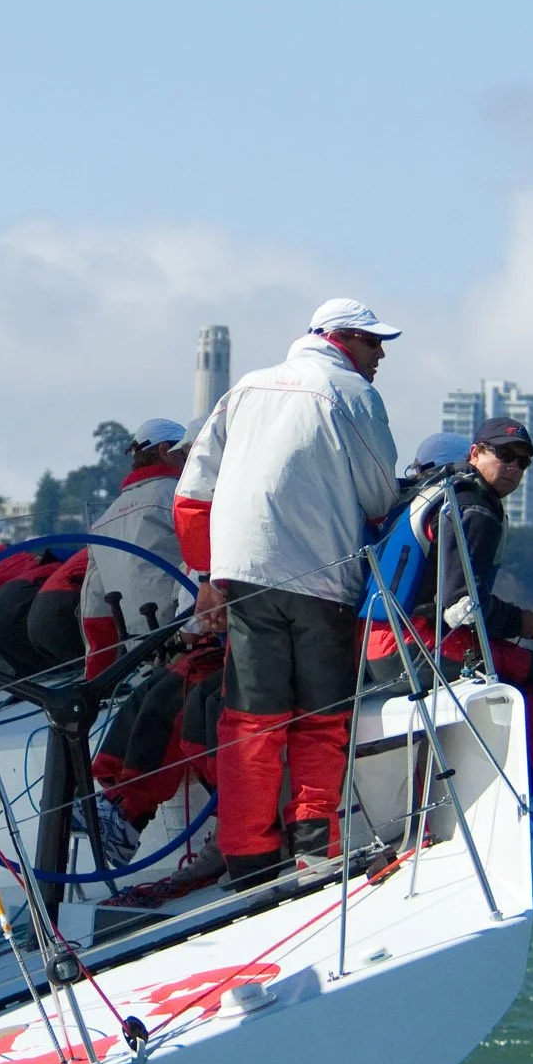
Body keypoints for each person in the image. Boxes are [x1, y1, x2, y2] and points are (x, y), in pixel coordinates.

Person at [174, 299, 402, 885]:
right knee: (321, 720)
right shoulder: (351, 393)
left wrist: (207, 579)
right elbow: (380, 496)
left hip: (243, 576)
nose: (380, 357)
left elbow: (192, 493)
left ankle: (248, 864)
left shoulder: (246, 388)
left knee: (250, 722)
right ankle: (314, 852)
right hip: (321, 576)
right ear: (345, 339)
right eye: (375, 344)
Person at [359, 422, 533, 846]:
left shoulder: (435, 496)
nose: (514, 469)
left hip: (385, 641)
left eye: (523, 462)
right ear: (476, 453)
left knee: (522, 671)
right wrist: (518, 620)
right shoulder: (476, 510)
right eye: (505, 456)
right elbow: (461, 606)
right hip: (413, 645)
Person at [81, 418, 192, 679]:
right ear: (166, 451)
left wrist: (97, 679)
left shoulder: (102, 522)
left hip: (140, 653)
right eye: (187, 452)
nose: (191, 460)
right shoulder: (183, 497)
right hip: (190, 641)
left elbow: (93, 608)